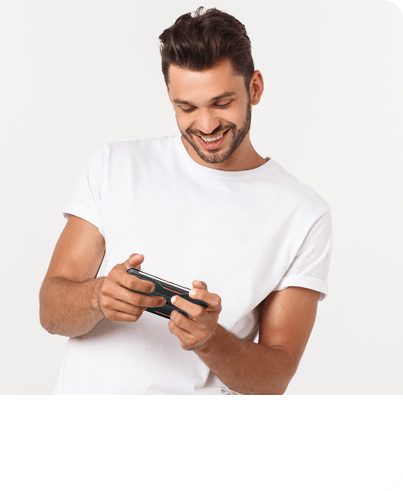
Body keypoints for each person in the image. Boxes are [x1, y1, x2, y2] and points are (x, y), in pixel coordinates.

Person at [39, 7, 332, 395]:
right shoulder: (115, 165)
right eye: (187, 107)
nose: (207, 125)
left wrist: (211, 341)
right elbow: (51, 311)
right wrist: (97, 297)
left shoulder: (303, 213)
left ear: (255, 88)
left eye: (222, 103)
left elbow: (275, 377)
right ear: (170, 97)